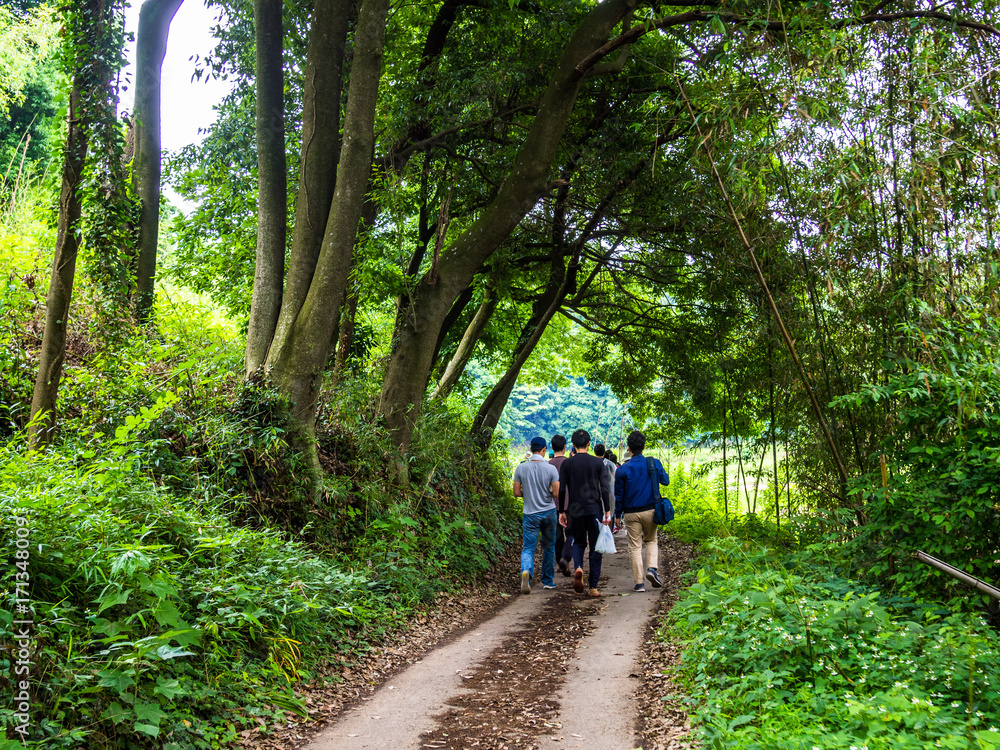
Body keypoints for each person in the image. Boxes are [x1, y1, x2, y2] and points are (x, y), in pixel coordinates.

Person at [557, 429, 611, 597]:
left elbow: (562, 489)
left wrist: (562, 511)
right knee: (596, 547)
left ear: (573, 445)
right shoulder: (598, 463)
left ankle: (579, 567)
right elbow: (604, 488)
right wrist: (607, 510)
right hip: (594, 509)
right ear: (589, 444)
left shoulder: (567, 464)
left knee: (579, 542)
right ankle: (593, 587)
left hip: (575, 510)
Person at [613, 430, 669, 592]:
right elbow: (665, 481)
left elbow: (619, 496)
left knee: (635, 546)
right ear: (644, 446)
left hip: (631, 513)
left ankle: (639, 583)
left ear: (629, 448)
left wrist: (618, 515)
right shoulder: (653, 463)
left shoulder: (622, 470)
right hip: (651, 510)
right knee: (651, 540)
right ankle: (651, 568)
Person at [513, 436, 560, 594]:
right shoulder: (551, 469)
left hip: (530, 513)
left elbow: (516, 492)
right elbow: (556, 493)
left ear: (531, 449)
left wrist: (528, 493)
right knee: (549, 547)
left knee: (528, 548)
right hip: (548, 512)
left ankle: (526, 571)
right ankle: (547, 581)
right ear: (544, 449)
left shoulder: (521, 468)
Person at [548, 434, 573, 575]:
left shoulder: (547, 465)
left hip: (552, 504)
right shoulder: (570, 463)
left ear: (552, 447)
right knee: (571, 532)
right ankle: (565, 557)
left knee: (557, 536)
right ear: (564, 447)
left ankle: (560, 562)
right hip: (570, 504)